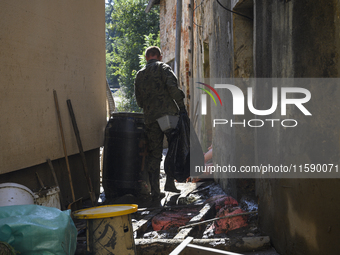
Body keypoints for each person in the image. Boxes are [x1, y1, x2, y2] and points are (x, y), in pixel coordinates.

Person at [134, 46, 186, 201]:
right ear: (160, 56)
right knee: (173, 148)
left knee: (154, 154)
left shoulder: (140, 74)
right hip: (168, 116)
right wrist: (181, 108)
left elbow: (139, 102)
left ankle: (155, 191)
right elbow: (173, 88)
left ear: (146, 58)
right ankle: (170, 182)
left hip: (150, 118)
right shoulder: (164, 68)